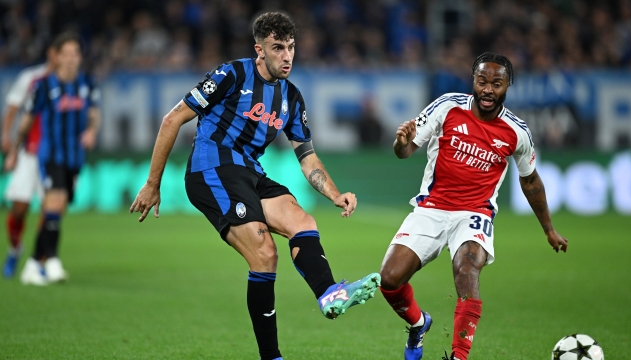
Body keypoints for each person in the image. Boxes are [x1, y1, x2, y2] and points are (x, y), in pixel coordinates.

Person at [129, 12, 380, 360]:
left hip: (249, 171)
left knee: (303, 222)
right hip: (210, 168)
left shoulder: (291, 97)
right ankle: (271, 356)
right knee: (265, 255)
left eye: (291, 47)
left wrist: (335, 194)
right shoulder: (231, 75)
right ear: (259, 50)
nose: (287, 55)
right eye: (278, 48)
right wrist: (152, 183)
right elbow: (172, 119)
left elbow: (307, 157)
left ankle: (329, 294)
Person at [378, 52, 568, 360]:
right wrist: (401, 142)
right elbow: (405, 150)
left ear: (508, 86)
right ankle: (418, 324)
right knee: (389, 279)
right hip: (431, 208)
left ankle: (459, 356)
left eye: (497, 83)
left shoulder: (517, 132)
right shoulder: (447, 107)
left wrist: (549, 229)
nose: (488, 90)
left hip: (475, 213)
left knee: (467, 269)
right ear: (473, 82)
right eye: (482, 82)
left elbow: (530, 180)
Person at [4, 32, 101, 285]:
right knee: (54, 201)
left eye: (75, 53)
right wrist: (14, 151)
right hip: (50, 155)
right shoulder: (44, 86)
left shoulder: (87, 83)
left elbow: (94, 113)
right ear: (56, 57)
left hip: (75, 157)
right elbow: (25, 121)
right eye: (66, 54)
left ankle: (35, 263)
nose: (70, 59)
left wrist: (91, 130)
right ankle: (53, 261)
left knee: (57, 209)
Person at [1, 46, 56, 278]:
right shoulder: (32, 79)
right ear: (52, 53)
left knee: (50, 210)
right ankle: (15, 248)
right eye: (65, 52)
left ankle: (39, 261)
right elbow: (15, 108)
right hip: (29, 153)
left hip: (56, 155)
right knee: (19, 207)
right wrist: (8, 138)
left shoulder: (76, 84)